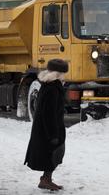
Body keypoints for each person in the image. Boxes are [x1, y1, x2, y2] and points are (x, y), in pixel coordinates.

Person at [24, 59, 69, 191]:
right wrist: (53, 134)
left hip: (45, 129)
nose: (64, 76)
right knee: (52, 153)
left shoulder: (49, 85)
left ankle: (46, 179)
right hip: (48, 129)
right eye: (63, 73)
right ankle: (45, 180)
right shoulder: (53, 88)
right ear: (58, 74)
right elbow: (48, 114)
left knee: (52, 154)